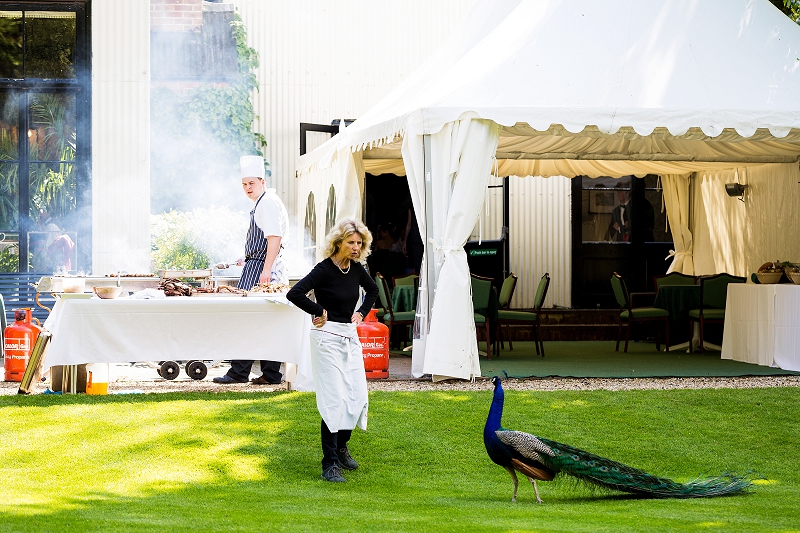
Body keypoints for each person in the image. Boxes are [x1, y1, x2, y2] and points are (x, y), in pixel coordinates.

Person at [286, 218, 379, 483]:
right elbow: (295, 293)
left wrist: (361, 313)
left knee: (356, 395)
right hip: (325, 339)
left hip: (348, 337)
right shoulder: (324, 269)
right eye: (351, 242)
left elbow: (372, 290)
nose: (355, 247)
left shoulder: (357, 269)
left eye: (359, 243)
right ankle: (330, 464)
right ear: (338, 242)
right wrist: (318, 311)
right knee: (334, 398)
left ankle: (341, 447)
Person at [213, 155, 289, 385]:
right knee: (266, 322)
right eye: (244, 184)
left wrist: (265, 270)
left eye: (251, 184)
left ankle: (239, 372)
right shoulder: (264, 201)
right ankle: (270, 374)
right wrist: (245, 257)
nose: (247, 188)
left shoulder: (266, 202)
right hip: (256, 263)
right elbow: (264, 239)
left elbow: (274, 238)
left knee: (243, 319)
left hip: (262, 268)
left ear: (262, 182)